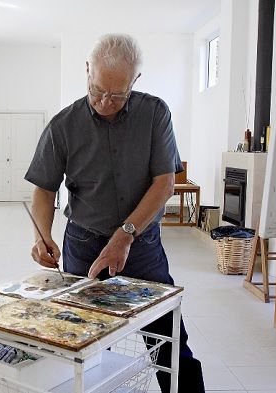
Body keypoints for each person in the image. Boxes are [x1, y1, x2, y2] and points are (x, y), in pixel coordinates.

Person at [24, 34, 205, 392]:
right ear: (87, 71)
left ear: (135, 82)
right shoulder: (63, 125)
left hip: (141, 246)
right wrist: (41, 237)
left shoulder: (155, 114)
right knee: (80, 344)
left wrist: (125, 236)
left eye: (117, 94)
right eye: (97, 90)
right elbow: (44, 189)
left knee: (170, 341)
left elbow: (164, 184)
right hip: (83, 246)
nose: (105, 102)